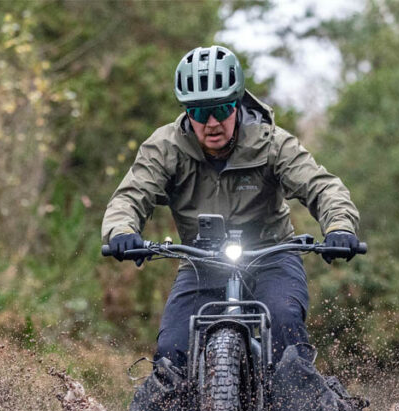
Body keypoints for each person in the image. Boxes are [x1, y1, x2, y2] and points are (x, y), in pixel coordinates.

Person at [102, 45, 361, 370]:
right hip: (201, 263)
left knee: (284, 328)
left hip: (272, 257)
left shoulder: (272, 143)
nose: (211, 123)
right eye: (198, 112)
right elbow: (130, 195)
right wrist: (122, 231)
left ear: (237, 103)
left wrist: (339, 227)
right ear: (186, 112)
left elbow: (322, 186)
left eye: (222, 109)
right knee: (171, 352)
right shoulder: (165, 148)